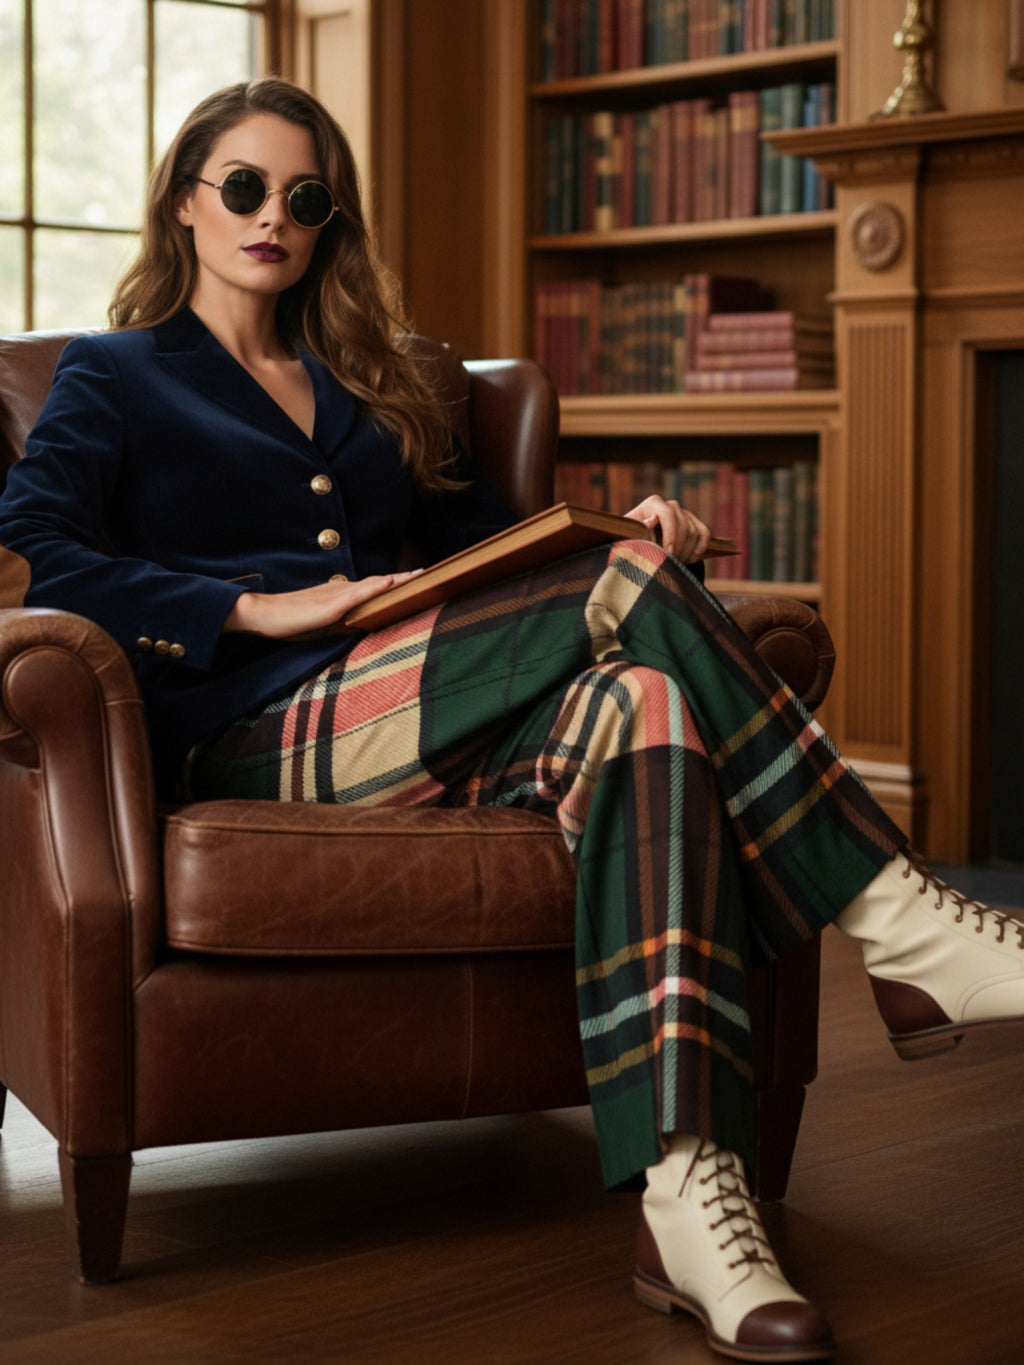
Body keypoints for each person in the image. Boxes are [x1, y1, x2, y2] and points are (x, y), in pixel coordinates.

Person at [1, 77, 1022, 1362]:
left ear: (329, 223)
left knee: (645, 701)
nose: (272, 216)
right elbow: (36, 552)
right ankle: (899, 922)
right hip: (261, 727)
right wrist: (253, 613)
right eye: (244, 188)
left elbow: (505, 554)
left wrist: (636, 535)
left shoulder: (373, 386)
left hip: (434, 715)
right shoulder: (111, 375)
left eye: (302, 197)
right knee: (623, 620)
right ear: (186, 204)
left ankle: (691, 1204)